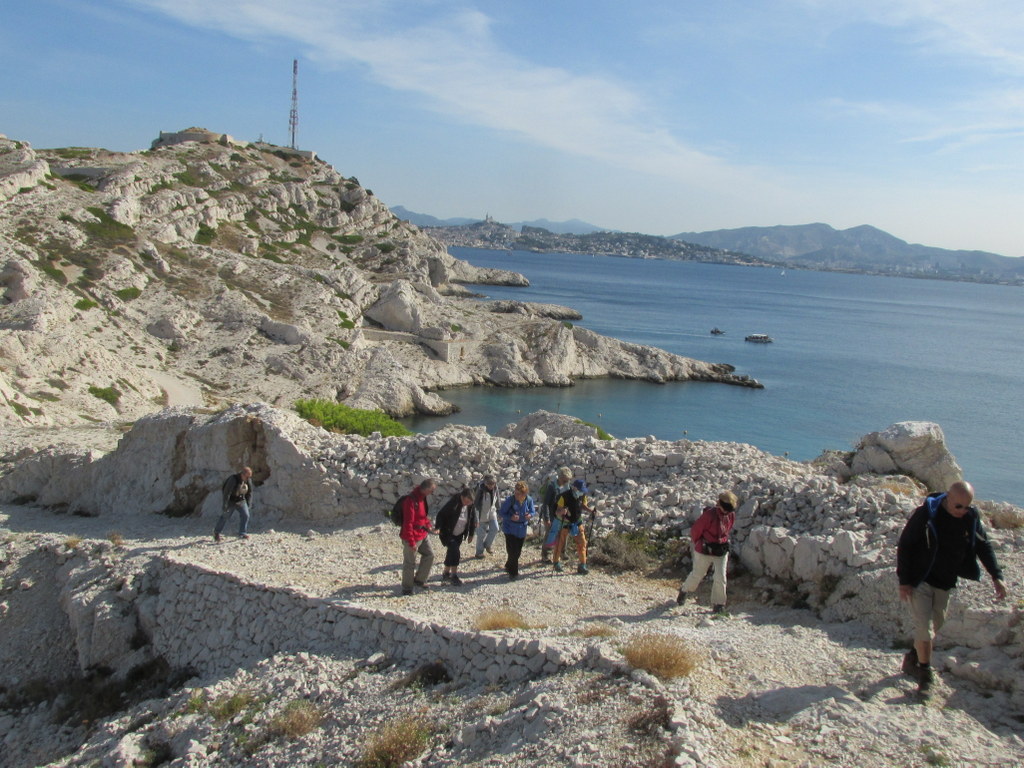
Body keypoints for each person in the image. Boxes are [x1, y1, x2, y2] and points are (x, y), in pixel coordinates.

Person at [897, 480, 1007, 694]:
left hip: (946, 582)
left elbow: (983, 545)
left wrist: (996, 575)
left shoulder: (970, 518)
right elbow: (906, 544)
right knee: (925, 629)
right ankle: (925, 676)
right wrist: (905, 581)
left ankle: (912, 656)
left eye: (967, 506)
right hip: (921, 580)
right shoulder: (927, 515)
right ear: (948, 498)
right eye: (959, 506)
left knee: (936, 625)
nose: (963, 511)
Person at [676, 491, 738, 614]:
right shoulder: (709, 515)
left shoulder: (730, 515)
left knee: (721, 577)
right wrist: (699, 543)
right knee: (698, 574)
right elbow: (695, 531)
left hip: (721, 549)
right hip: (705, 550)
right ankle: (684, 590)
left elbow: (728, 529)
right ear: (720, 505)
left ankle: (719, 604)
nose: (727, 512)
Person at [400, 478, 437, 596]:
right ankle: (407, 588)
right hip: (412, 536)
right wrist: (411, 542)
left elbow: (422, 516)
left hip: (422, 534)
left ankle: (420, 580)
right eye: (431, 490)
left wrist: (428, 526)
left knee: (430, 555)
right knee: (410, 562)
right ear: (425, 489)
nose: (432, 493)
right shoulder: (411, 501)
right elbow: (408, 523)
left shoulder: (421, 499)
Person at [434, 486, 477, 586]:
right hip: (448, 532)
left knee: (451, 551)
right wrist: (438, 527)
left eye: (469, 502)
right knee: (455, 551)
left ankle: (446, 573)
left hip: (460, 533)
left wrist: (471, 534)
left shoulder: (470, 505)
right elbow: (441, 514)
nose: (467, 504)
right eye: (466, 501)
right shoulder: (453, 503)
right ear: (462, 497)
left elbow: (472, 519)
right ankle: (454, 575)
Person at [552, 478, 593, 575]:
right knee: (559, 544)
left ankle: (583, 565)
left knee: (582, 543)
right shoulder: (563, 497)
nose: (581, 493)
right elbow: (557, 511)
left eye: (582, 491)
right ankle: (556, 562)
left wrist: (590, 510)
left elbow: (582, 505)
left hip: (577, 522)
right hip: (564, 523)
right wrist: (562, 512)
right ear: (574, 488)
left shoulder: (582, 495)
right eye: (580, 491)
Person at [498, 481, 535, 580]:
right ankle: (513, 573)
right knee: (512, 551)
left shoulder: (529, 500)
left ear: (524, 493)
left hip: (522, 529)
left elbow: (532, 510)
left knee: (517, 552)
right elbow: (501, 513)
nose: (516, 495)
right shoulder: (510, 500)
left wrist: (530, 515)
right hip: (510, 529)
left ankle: (508, 565)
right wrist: (511, 517)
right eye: (516, 492)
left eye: (519, 494)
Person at [542, 467, 573, 563]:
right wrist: (547, 518)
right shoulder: (551, 486)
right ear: (559, 477)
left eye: (568, 480)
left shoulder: (567, 487)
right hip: (552, 515)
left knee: (564, 533)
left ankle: (562, 552)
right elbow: (546, 503)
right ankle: (545, 555)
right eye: (564, 480)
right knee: (550, 534)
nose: (566, 481)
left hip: (562, 515)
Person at [214, 466, 253, 542]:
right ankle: (216, 532)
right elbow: (226, 492)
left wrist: (248, 503)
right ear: (243, 474)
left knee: (245, 515)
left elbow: (249, 492)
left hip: (241, 500)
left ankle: (242, 533)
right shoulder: (233, 479)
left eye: (249, 477)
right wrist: (225, 504)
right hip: (231, 501)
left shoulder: (248, 480)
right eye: (247, 476)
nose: (248, 479)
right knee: (225, 516)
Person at [473, 475, 500, 559]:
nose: (491, 486)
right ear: (485, 483)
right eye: (489, 484)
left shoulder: (495, 488)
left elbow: (497, 499)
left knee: (495, 528)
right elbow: (475, 503)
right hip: (481, 513)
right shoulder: (480, 490)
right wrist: (475, 517)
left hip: (492, 512)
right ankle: (479, 552)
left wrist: (499, 510)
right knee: (481, 534)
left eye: (493, 484)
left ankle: (487, 545)